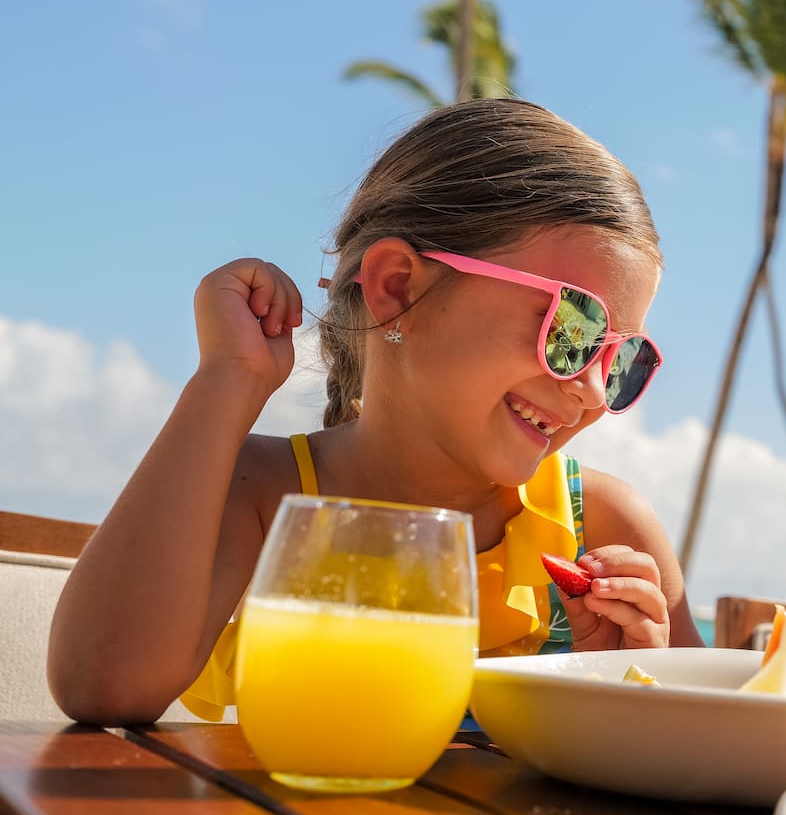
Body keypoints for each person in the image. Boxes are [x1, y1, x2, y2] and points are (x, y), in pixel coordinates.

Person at [48, 98, 702, 727]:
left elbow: (708, 749)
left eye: (621, 360)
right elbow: (101, 685)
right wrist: (228, 379)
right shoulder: (260, 499)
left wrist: (625, 695)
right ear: (398, 287)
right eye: (572, 330)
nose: (592, 390)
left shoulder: (605, 532)